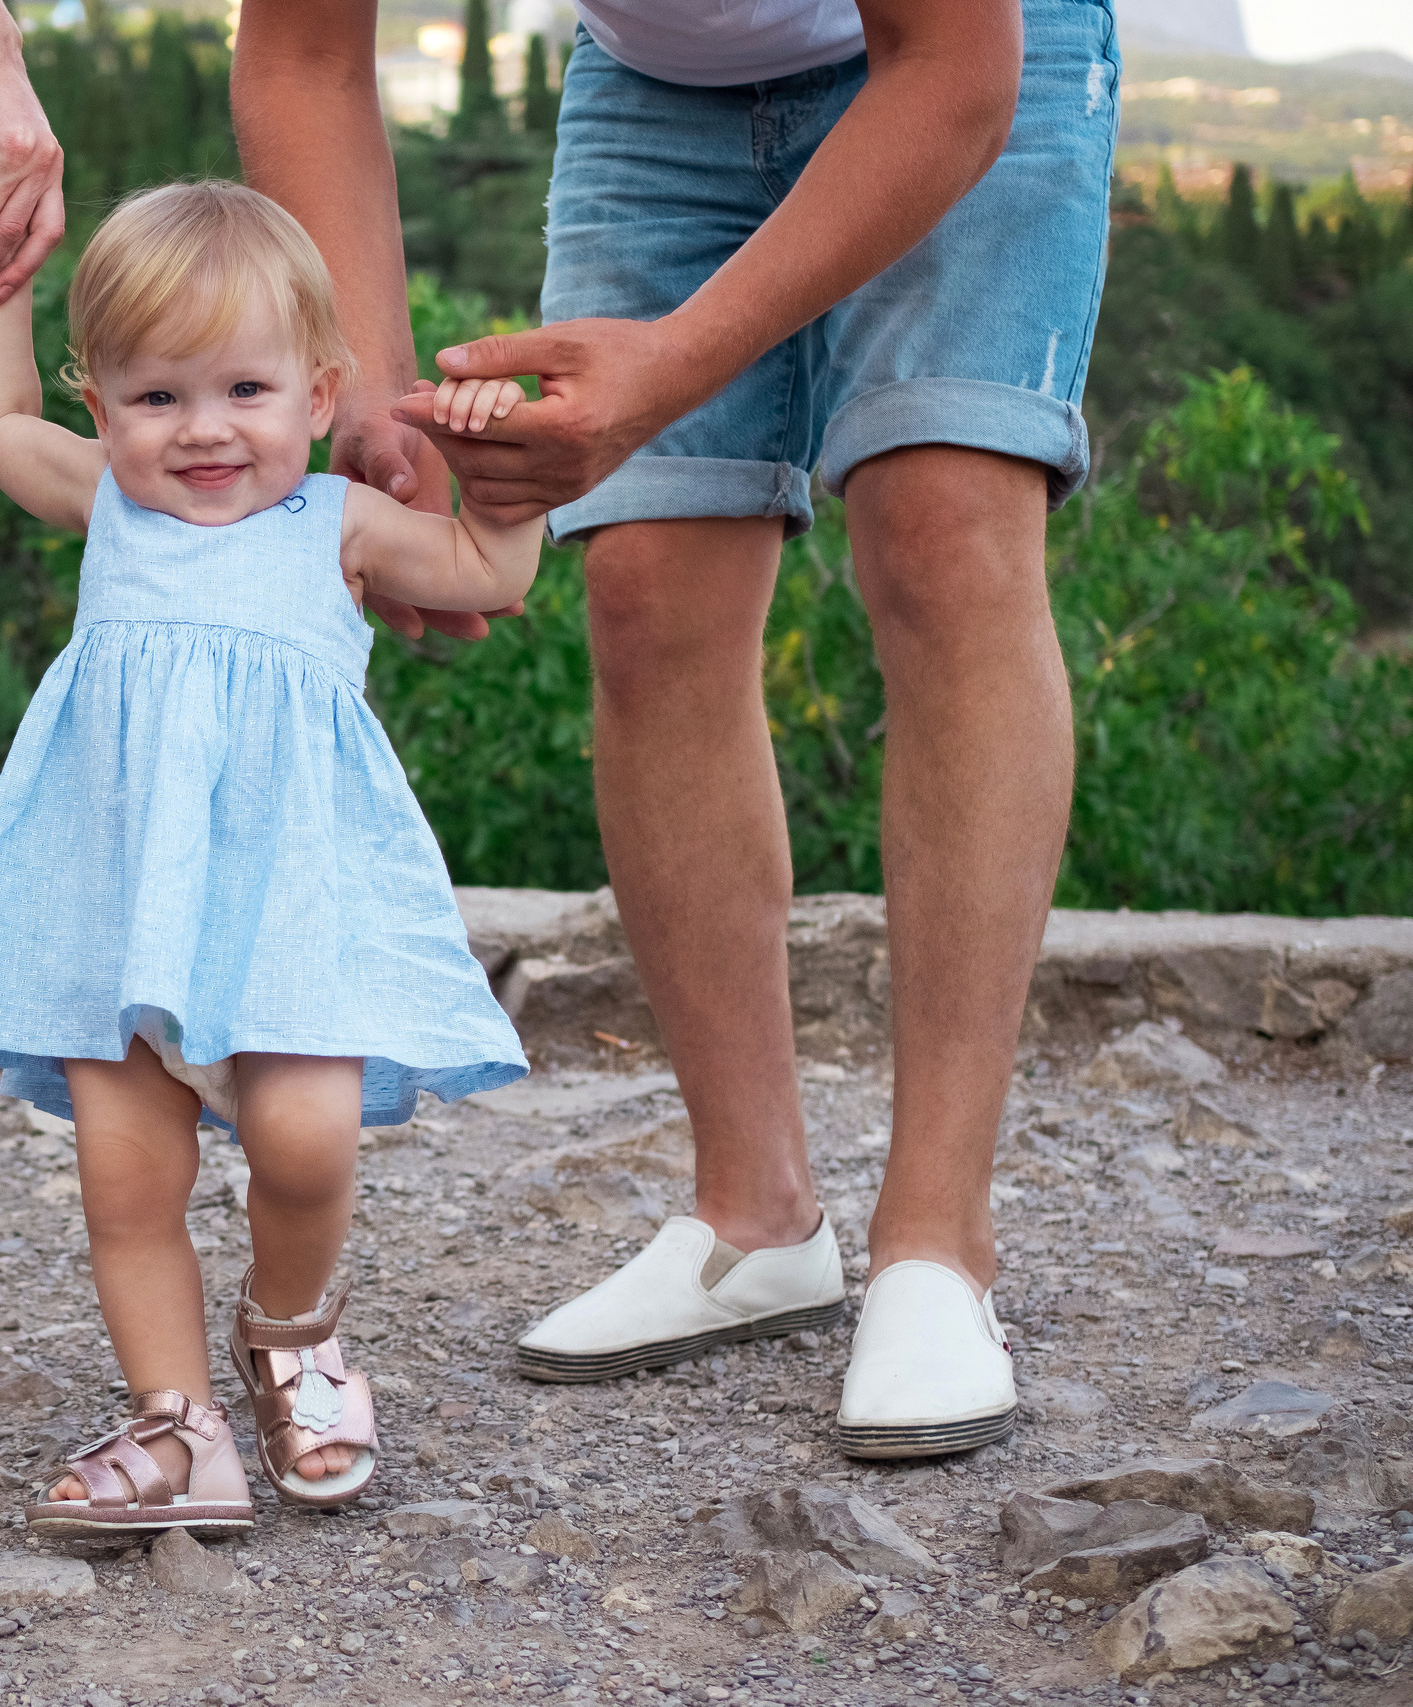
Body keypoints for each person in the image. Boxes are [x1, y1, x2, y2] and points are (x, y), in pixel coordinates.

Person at [235, 0, 1118, 1456]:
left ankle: (936, 1242)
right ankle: (755, 1215)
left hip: (960, 69)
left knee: (944, 527)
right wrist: (372, 407)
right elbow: (304, 54)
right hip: (661, 98)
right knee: (645, 585)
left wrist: (669, 368)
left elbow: (954, 70)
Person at [0, 178, 537, 1536]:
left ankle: (291, 1330)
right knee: (125, 1180)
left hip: (289, 911)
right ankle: (180, 1430)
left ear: (318, 398)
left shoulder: (336, 526)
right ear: (102, 404)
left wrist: (509, 472)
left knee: (305, 1142)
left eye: (244, 390)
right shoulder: (110, 507)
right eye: (156, 397)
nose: (201, 431)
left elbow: (490, 572)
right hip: (115, 906)